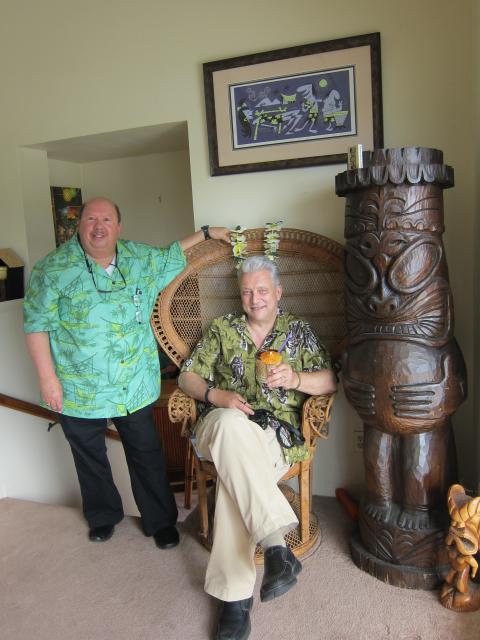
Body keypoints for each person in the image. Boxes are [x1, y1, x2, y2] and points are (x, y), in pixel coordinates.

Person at [23, 196, 230, 549]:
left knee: (146, 453)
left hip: (133, 384)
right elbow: (36, 325)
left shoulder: (139, 258)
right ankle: (103, 516)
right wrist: (47, 378)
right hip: (78, 387)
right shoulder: (52, 269)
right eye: (91, 219)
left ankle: (160, 521)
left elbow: (171, 254)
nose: (98, 227)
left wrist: (207, 233)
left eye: (106, 220)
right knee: (89, 457)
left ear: (118, 227)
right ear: (79, 225)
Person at [178, 255, 337, 640]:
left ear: (278, 292)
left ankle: (235, 601)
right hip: (221, 424)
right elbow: (186, 377)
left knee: (234, 479)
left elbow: (330, 380)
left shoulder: (298, 330)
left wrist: (296, 379)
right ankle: (275, 544)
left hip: (273, 435)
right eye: (247, 291)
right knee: (230, 426)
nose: (255, 298)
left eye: (262, 290)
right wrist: (216, 395)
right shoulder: (222, 329)